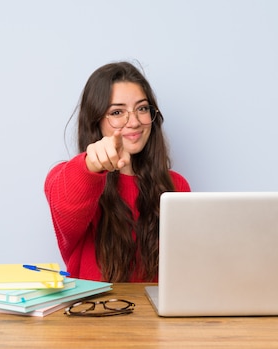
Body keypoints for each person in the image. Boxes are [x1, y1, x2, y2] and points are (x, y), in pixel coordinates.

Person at [44, 61, 191, 283]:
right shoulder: (68, 176)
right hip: (92, 314)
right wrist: (91, 166)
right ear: (96, 121)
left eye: (142, 108)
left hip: (157, 316)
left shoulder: (176, 186)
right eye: (117, 112)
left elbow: (188, 270)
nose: (134, 122)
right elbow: (65, 203)